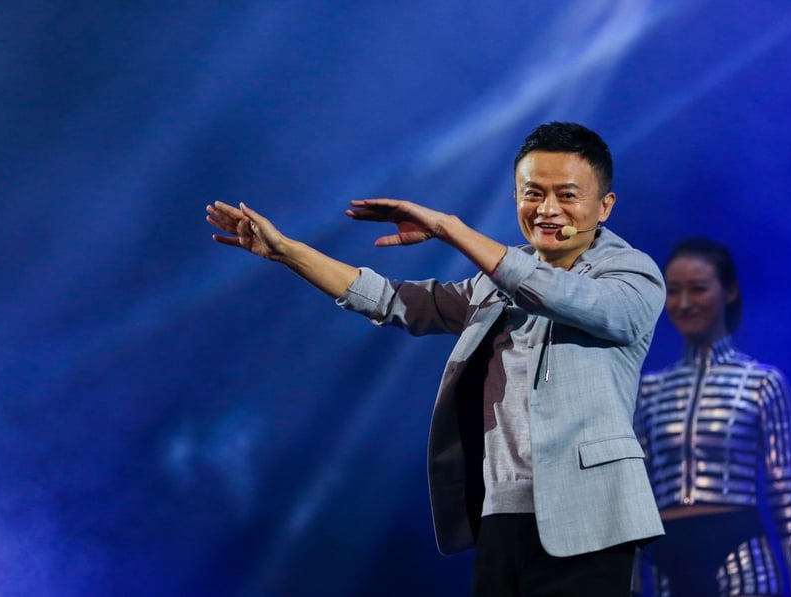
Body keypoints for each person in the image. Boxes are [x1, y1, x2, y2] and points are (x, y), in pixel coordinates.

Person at [206, 122, 666, 596]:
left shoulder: (630, 274)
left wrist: (451, 229)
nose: (547, 210)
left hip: (591, 516)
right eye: (532, 194)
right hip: (501, 514)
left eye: (566, 195)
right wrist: (290, 252)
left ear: (604, 206)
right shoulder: (494, 284)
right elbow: (391, 300)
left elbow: (564, 296)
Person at [634, 237, 791, 597]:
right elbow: (636, 495)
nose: (684, 303)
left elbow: (784, 494)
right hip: (668, 554)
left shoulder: (762, 383)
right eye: (673, 291)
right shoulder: (649, 389)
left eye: (698, 289)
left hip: (739, 548)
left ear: (729, 291)